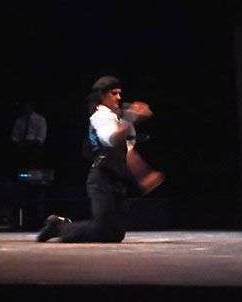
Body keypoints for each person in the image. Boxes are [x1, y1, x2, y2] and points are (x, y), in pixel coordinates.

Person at [37, 75, 162, 243]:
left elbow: (128, 151)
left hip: (117, 179)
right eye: (114, 93)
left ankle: (62, 226)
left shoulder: (119, 119)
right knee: (102, 229)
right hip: (102, 178)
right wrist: (131, 117)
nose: (119, 97)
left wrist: (144, 175)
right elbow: (111, 139)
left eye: (119, 93)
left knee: (115, 234)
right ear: (102, 96)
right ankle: (58, 227)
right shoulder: (100, 116)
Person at [10, 100, 47, 169]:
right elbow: (14, 135)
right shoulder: (19, 120)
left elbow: (41, 137)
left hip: (34, 145)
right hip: (21, 144)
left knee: (33, 152)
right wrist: (17, 141)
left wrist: (30, 142)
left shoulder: (40, 119)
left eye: (27, 106)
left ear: (32, 107)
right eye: (24, 107)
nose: (25, 108)